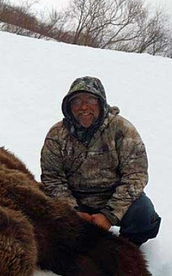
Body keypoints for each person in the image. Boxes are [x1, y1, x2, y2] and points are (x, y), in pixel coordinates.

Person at [40, 76, 161, 246]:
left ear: (101, 103)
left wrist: (109, 215)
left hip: (113, 196)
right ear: (69, 107)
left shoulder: (122, 129)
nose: (83, 107)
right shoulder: (56, 135)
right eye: (76, 101)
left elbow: (136, 176)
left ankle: (128, 247)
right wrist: (72, 211)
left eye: (90, 100)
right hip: (74, 199)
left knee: (144, 216)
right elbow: (52, 179)